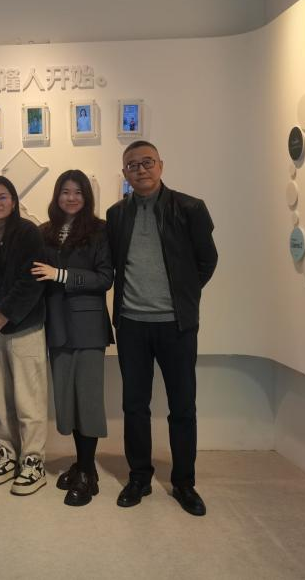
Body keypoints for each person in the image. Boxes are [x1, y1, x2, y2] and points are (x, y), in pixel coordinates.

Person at [106, 140, 218, 516]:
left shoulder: (190, 208)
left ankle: (184, 482)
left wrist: (181, 296)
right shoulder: (116, 215)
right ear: (125, 173)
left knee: (182, 406)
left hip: (176, 326)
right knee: (135, 406)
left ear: (161, 165)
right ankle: (139, 477)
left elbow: (207, 260)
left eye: (147, 162)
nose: (141, 169)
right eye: (132, 165)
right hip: (131, 325)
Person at [32, 170, 113, 506]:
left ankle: (88, 472)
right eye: (65, 191)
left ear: (86, 197)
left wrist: (61, 275)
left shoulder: (100, 230)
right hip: (56, 325)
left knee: (88, 400)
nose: (71, 198)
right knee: (68, 401)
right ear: (57, 195)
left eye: (78, 192)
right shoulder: (44, 232)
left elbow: (105, 278)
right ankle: (81, 464)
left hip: (89, 327)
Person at [0, 176, 48, 496]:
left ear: (14, 201)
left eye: (2, 197)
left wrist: (3, 313)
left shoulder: (29, 233)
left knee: (29, 400)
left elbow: (33, 279)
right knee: (1, 399)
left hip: (25, 328)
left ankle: (33, 461)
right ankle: (8, 454)